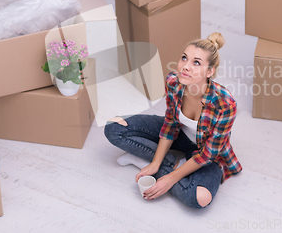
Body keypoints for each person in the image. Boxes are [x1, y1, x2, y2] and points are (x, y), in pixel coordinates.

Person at [104, 32, 242, 209]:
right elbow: (170, 125)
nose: (185, 66)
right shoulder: (173, 82)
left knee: (199, 198)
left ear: (210, 71)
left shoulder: (225, 104)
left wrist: (171, 178)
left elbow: (208, 154)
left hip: (204, 152)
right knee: (114, 128)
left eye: (196, 62)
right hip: (179, 135)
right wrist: (155, 163)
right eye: (184, 58)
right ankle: (157, 163)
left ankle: (151, 163)